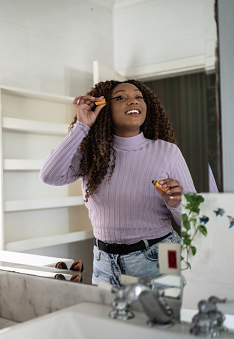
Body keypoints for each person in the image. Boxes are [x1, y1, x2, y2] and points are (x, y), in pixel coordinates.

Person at [40, 80, 196, 286]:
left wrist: (176, 202)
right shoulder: (92, 153)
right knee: (108, 319)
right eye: (121, 97)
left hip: (162, 256)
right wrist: (82, 126)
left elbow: (195, 220)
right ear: (103, 108)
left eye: (138, 97)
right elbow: (49, 176)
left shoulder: (167, 152)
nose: (133, 101)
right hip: (104, 263)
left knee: (166, 317)